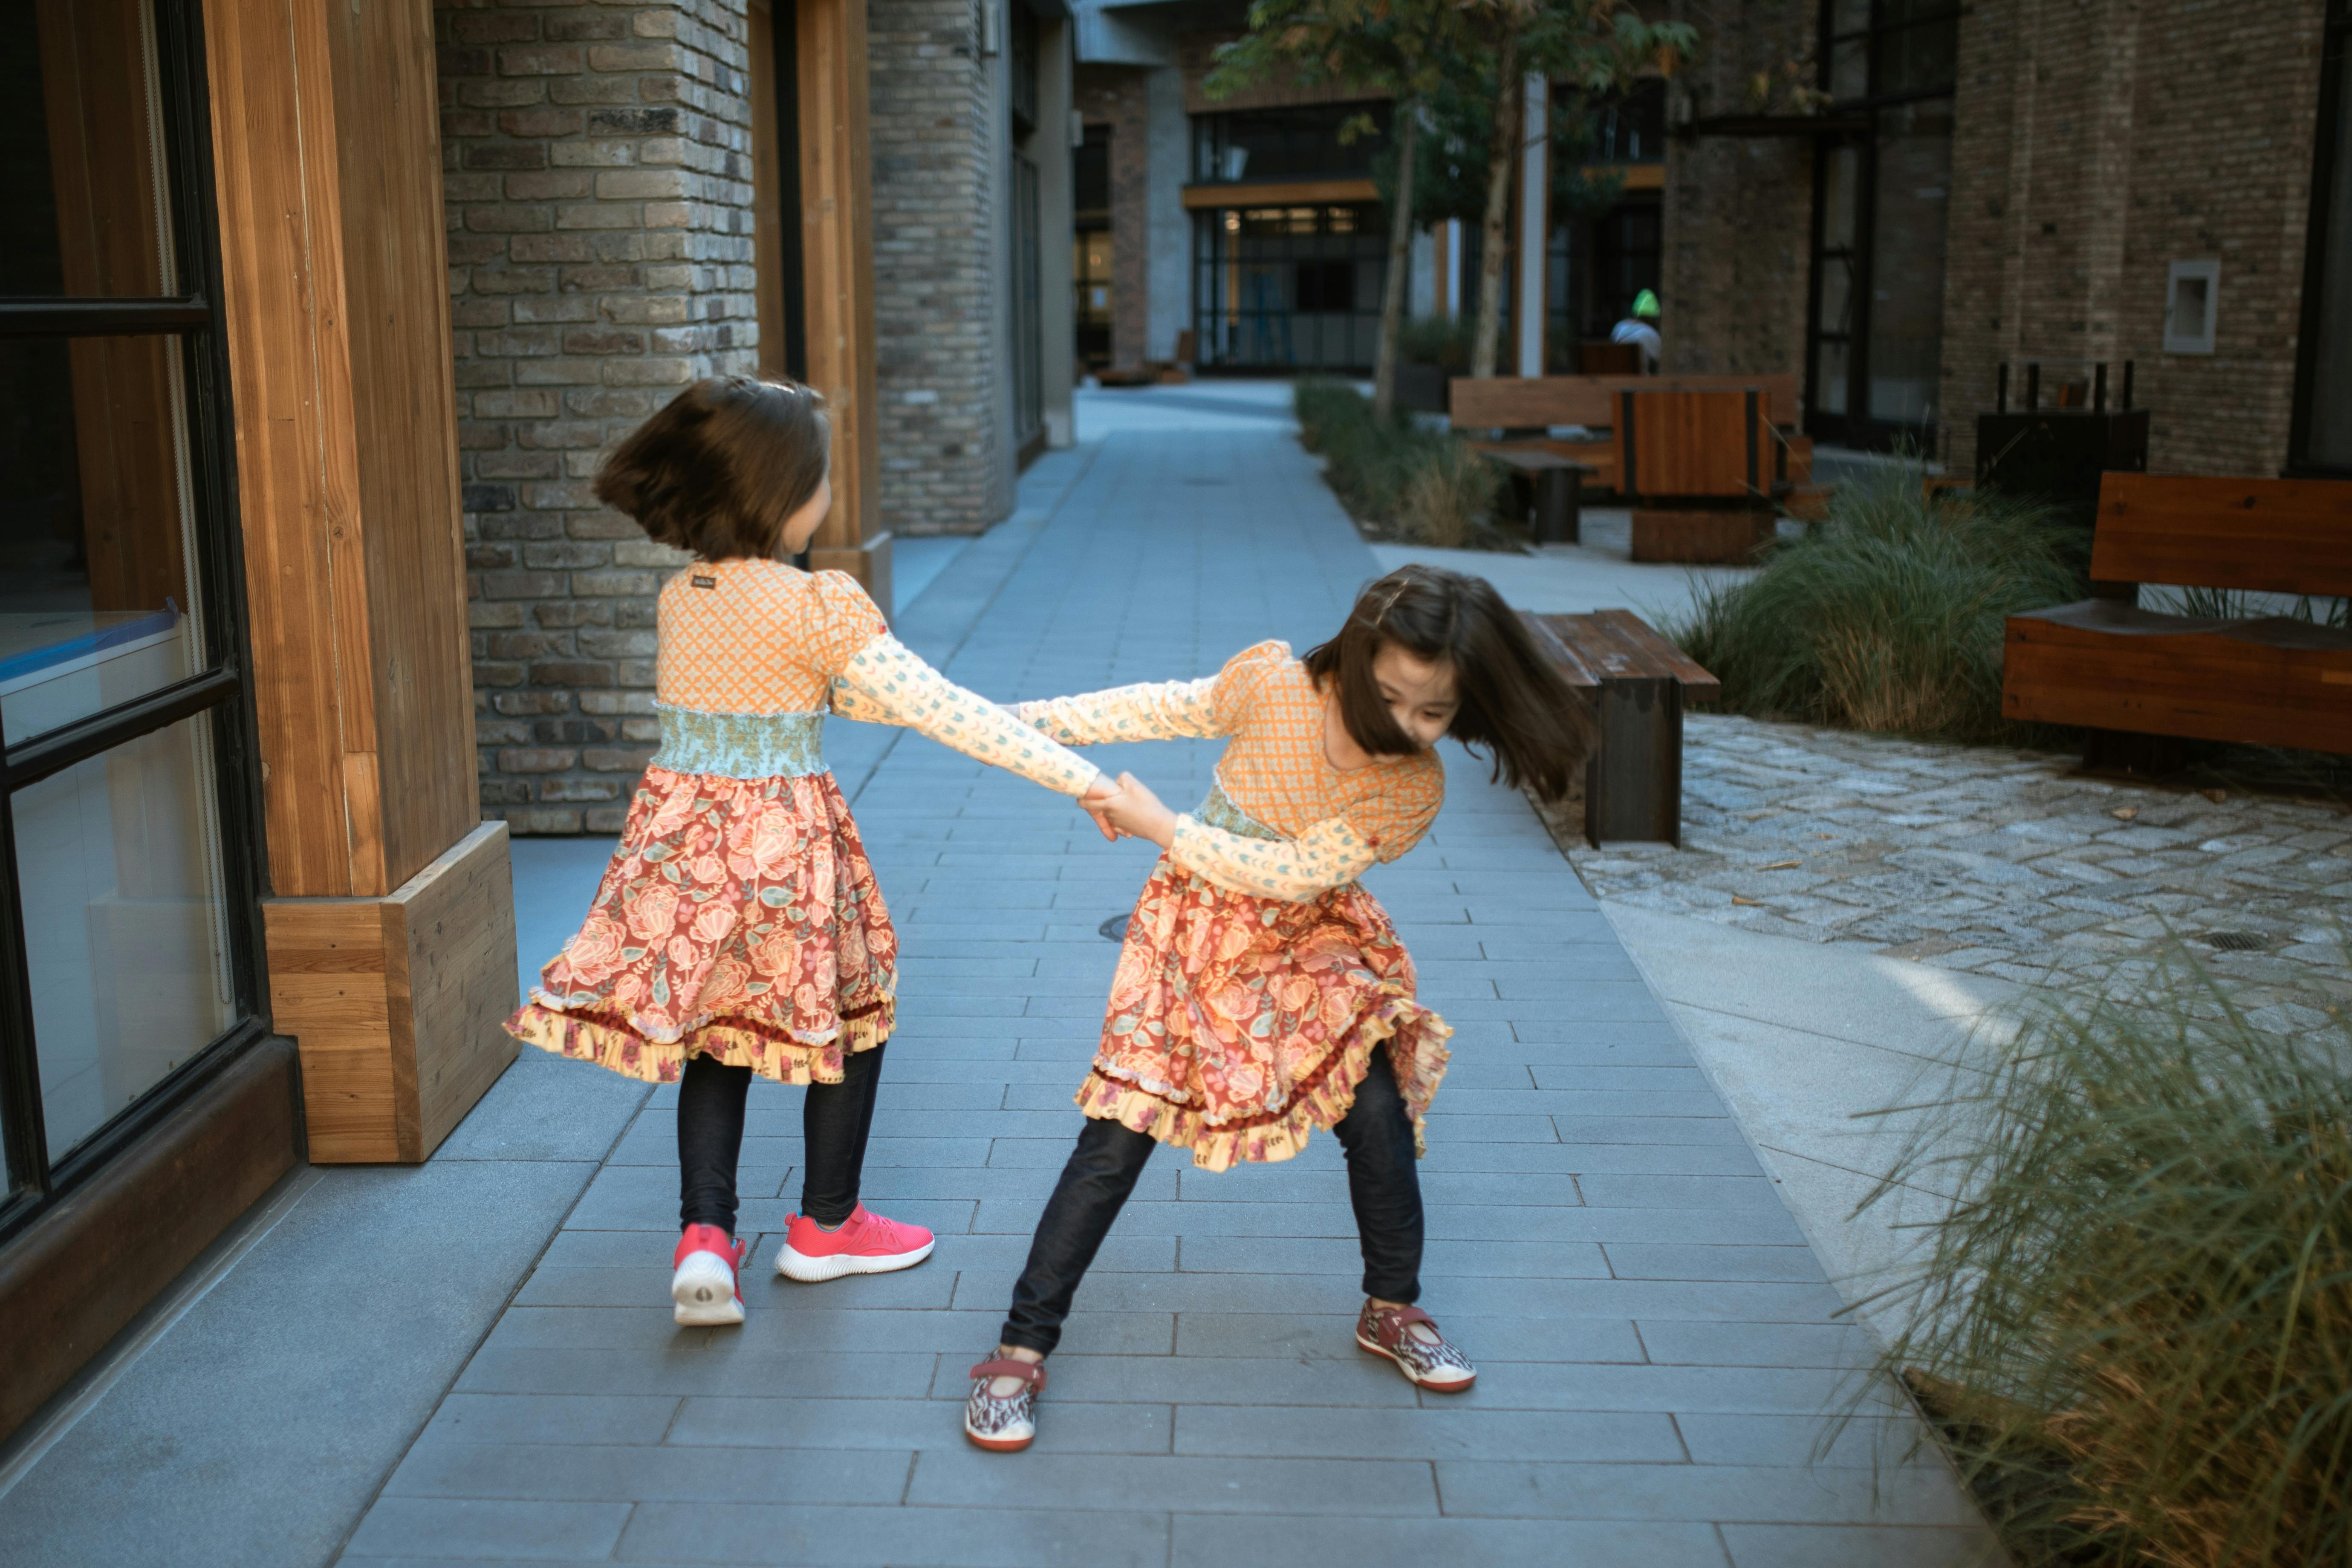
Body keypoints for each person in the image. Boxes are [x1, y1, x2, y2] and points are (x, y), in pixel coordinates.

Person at [507, 375, 1118, 1327]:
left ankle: (704, 1237)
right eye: (820, 477)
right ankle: (826, 1225)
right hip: (785, 846)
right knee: (848, 1012)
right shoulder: (821, 606)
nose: (828, 494)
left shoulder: (685, 596)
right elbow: (930, 708)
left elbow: (847, 698)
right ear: (781, 493)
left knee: (717, 1034)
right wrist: (1077, 776)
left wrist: (1016, 721)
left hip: (680, 848)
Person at [960, 565, 1596, 1452]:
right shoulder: (1275, 684)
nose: (1406, 727)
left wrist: (1160, 825)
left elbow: (1291, 876)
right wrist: (1025, 724)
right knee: (1119, 1130)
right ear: (1359, 648)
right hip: (1192, 935)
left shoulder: (1410, 789)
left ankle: (1392, 1306)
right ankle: (1019, 1346)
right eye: (1389, 697)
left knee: (1371, 1108)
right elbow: (1166, 706)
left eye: (1433, 712)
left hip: (1306, 940)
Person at [1611, 288, 1663, 375]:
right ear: (1653, 318)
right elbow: (1659, 360)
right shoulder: (1651, 334)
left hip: (1614, 378)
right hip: (1639, 381)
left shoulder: (1619, 327)